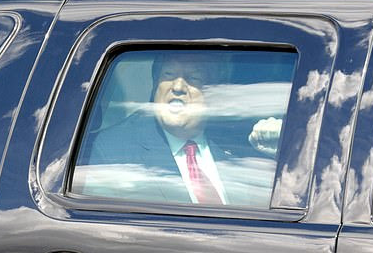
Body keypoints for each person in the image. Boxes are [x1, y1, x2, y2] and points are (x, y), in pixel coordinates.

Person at [73, 51, 281, 206]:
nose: (178, 87)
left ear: (214, 91)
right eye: (168, 75)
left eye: (193, 78)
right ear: (155, 85)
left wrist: (283, 150)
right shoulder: (112, 149)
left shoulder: (240, 149)